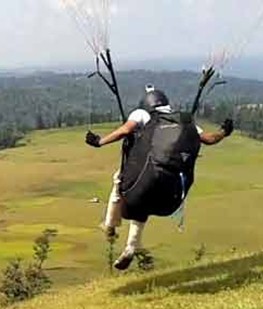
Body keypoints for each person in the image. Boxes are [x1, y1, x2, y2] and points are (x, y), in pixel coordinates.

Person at [85, 86, 234, 270]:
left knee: (121, 182)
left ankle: (110, 225)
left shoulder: (141, 114)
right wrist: (223, 132)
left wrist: (99, 142)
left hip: (142, 182)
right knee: (143, 207)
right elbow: (209, 139)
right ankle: (131, 247)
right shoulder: (182, 120)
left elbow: (125, 130)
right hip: (171, 193)